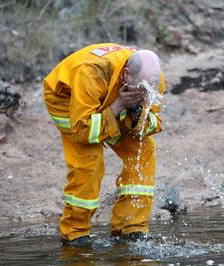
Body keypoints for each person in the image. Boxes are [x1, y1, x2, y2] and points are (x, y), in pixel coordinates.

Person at [43, 43, 165, 246]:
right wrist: (118, 105)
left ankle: (130, 228)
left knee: (144, 149)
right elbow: (83, 131)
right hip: (68, 101)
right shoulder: (91, 72)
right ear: (126, 74)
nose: (148, 91)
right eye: (143, 87)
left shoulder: (152, 79)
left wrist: (136, 111)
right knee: (90, 160)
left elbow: (153, 124)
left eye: (152, 86)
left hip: (112, 98)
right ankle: (75, 232)